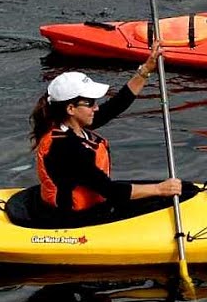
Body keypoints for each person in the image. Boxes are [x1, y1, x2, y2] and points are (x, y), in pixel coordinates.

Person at [27, 43, 184, 227]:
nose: (96, 107)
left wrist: (145, 70)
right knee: (158, 197)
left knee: (183, 191)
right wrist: (160, 189)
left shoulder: (73, 124)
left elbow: (117, 105)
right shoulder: (66, 149)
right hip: (72, 221)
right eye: (91, 103)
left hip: (93, 205)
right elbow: (111, 191)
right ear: (71, 109)